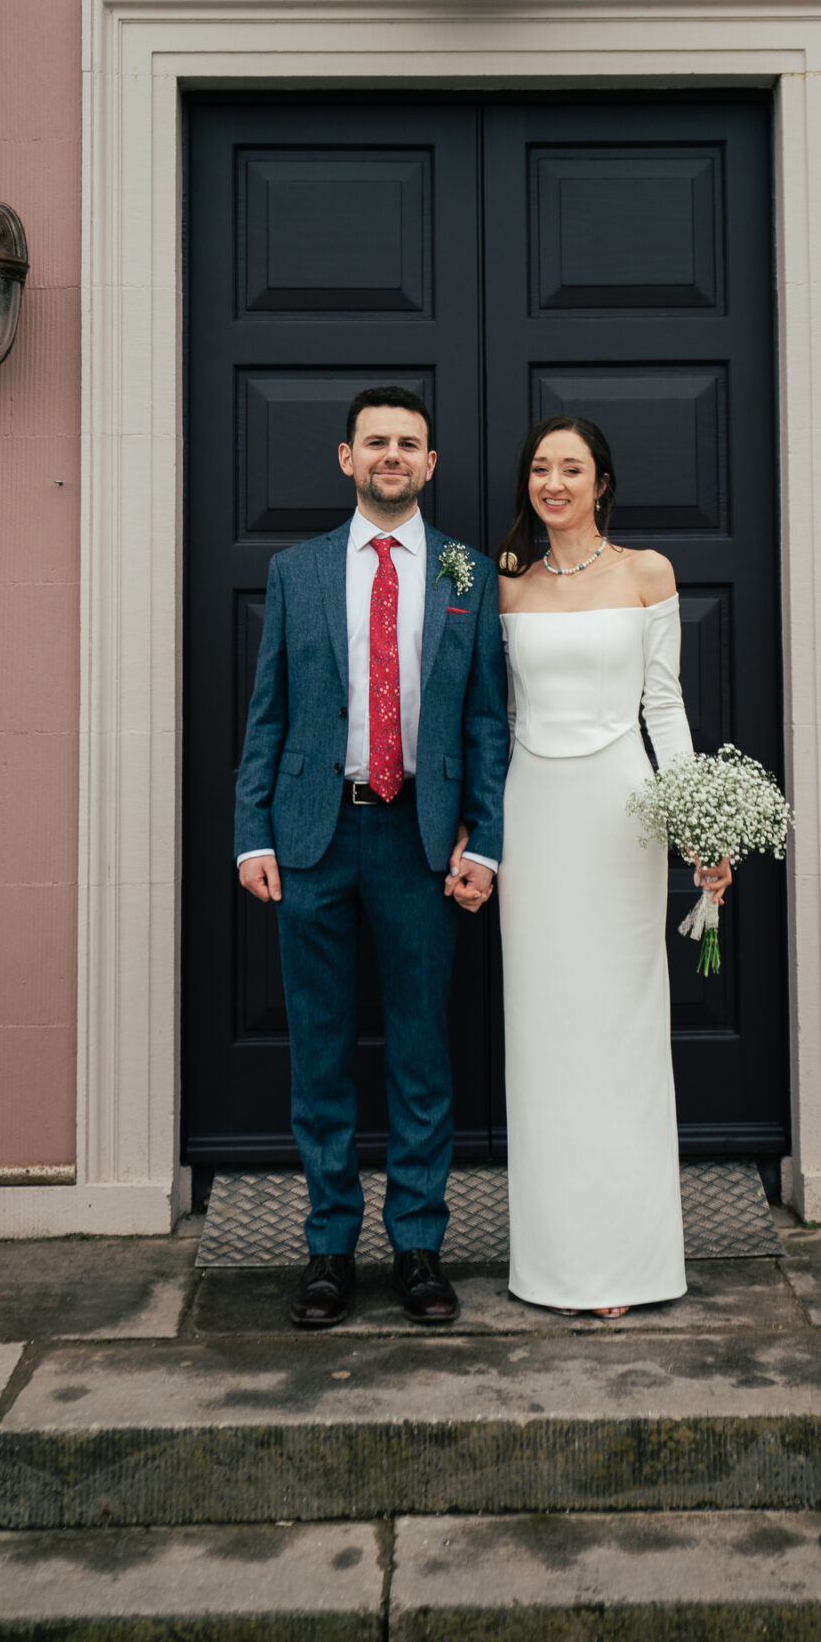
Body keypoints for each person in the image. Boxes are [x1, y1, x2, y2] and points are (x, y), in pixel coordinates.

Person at [234, 387, 506, 1330]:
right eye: (375, 443)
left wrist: (489, 839)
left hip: (422, 841)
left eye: (409, 444)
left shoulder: (468, 574)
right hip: (314, 836)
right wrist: (253, 831)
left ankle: (420, 1246)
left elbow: (485, 722)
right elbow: (267, 710)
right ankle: (328, 1247)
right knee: (319, 1053)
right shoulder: (296, 570)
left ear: (431, 465)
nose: (392, 456)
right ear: (345, 458)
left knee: (422, 1052)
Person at [497, 415, 733, 1317]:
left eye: (572, 468)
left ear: (602, 483)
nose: (553, 482)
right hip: (533, 815)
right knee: (546, 1028)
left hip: (622, 812)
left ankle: (626, 1264)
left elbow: (663, 709)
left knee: (621, 1026)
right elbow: (491, 714)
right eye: (540, 469)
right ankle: (556, 1260)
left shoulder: (646, 573)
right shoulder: (504, 584)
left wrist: (695, 827)